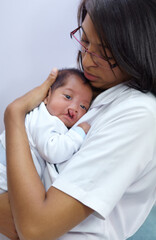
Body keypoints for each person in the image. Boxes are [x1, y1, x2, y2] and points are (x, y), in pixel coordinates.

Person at [0, 0, 156, 239]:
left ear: (136, 52)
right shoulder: (91, 89)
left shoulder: (139, 115)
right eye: (84, 40)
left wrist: (14, 115)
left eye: (103, 53)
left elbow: (34, 229)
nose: (87, 59)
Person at [0, 68, 93, 193]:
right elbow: (53, 151)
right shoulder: (45, 119)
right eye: (68, 96)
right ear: (47, 96)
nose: (74, 107)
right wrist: (78, 133)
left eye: (83, 106)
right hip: (3, 174)